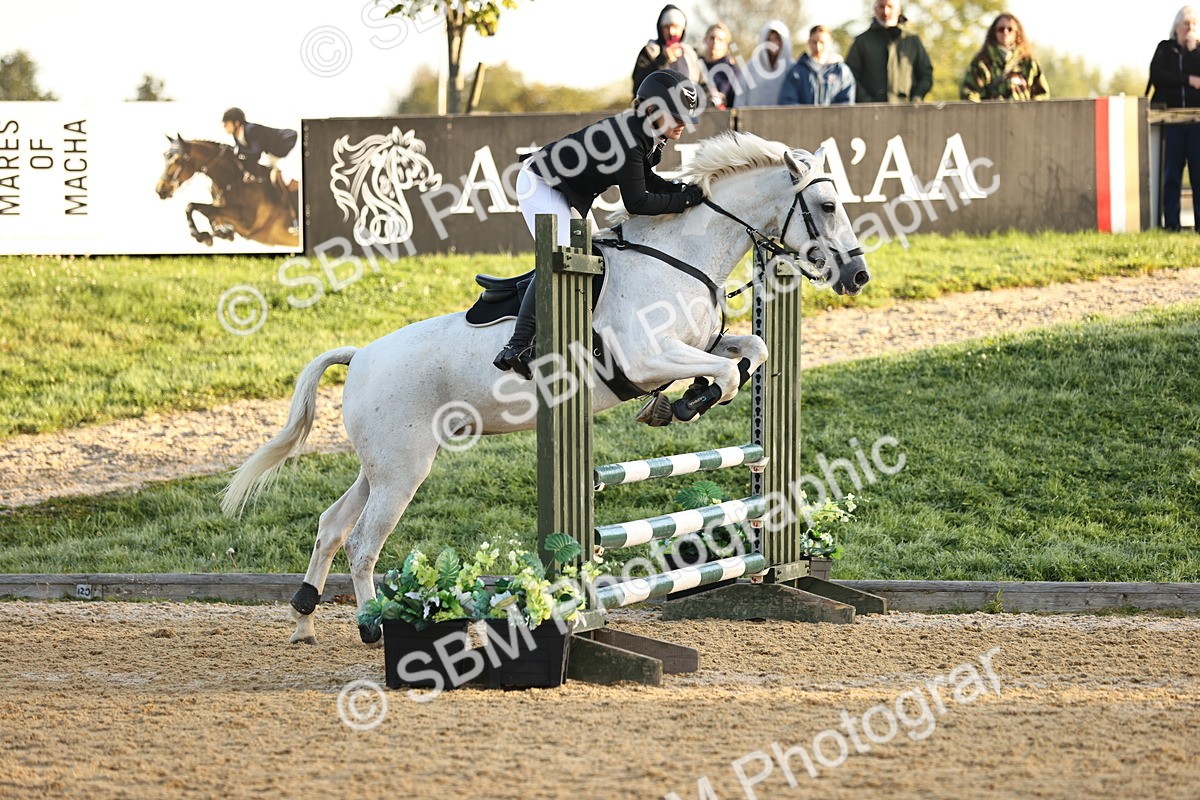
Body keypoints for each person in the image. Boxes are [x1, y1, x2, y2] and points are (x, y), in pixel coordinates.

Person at [493, 71, 707, 379]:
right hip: (540, 183)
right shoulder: (628, 137)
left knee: (591, 255)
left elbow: (647, 181)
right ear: (651, 110)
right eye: (676, 116)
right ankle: (516, 347)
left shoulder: (645, 134)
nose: (682, 124)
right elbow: (638, 203)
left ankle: (564, 323)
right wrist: (685, 200)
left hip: (566, 189)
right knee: (564, 255)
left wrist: (682, 190)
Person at [1149, 6, 1200, 232]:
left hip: (1197, 123)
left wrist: (1192, 52)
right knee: (1171, 176)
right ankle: (1171, 225)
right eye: (1185, 24)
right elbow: (1158, 77)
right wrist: (1188, 79)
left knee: (1198, 174)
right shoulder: (1165, 49)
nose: (1189, 29)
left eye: (1193, 25)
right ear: (1176, 27)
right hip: (1172, 122)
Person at [221, 107, 299, 231]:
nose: (224, 125)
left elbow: (256, 153)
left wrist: (239, 152)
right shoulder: (236, 136)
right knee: (269, 179)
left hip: (291, 146)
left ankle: (298, 220)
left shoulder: (251, 129)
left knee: (286, 181)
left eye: (226, 122)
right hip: (274, 154)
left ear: (237, 123)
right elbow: (247, 158)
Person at [845, 0, 933, 103]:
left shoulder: (912, 41)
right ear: (875, 9)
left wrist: (915, 99)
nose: (886, 11)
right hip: (870, 113)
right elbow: (850, 76)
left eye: (890, 6)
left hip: (905, 111)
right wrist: (867, 102)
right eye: (881, 7)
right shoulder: (862, 42)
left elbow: (926, 75)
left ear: (899, 9)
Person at [960, 14, 1049, 101]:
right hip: (992, 114)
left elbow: (1042, 95)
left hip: (1023, 114)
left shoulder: (1028, 61)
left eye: (1010, 29)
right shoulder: (981, 62)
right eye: (1001, 29)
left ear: (1017, 33)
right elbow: (969, 94)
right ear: (994, 32)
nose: (1005, 32)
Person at [632, 5, 709, 97]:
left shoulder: (690, 54)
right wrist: (663, 60)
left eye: (676, 27)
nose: (671, 32)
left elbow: (703, 86)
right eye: (667, 27)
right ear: (660, 28)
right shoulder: (650, 51)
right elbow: (639, 85)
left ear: (682, 29)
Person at [780, 25, 856, 105]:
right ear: (809, 42)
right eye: (814, 42)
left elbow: (847, 102)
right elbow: (788, 101)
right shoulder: (797, 71)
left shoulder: (841, 71)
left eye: (822, 42)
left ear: (830, 42)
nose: (818, 47)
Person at [734, 20, 794, 107]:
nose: (773, 44)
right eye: (769, 40)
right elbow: (740, 99)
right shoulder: (751, 67)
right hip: (753, 119)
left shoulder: (792, 68)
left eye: (776, 39)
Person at [701, 22, 744, 110]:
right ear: (705, 40)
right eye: (712, 38)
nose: (715, 43)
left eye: (720, 40)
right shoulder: (696, 65)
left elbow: (738, 104)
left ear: (726, 45)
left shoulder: (732, 71)